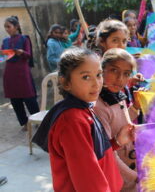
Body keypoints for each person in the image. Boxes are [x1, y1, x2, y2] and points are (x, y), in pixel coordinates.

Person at [32, 47, 135, 192]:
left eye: (98, 75)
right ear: (66, 82)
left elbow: (93, 153)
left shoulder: (84, 108)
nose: (96, 83)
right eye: (86, 77)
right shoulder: (72, 121)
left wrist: (117, 141)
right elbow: (87, 179)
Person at [94, 48, 139, 192]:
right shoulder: (99, 106)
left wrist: (135, 107)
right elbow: (108, 153)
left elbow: (122, 122)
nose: (120, 78)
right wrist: (133, 176)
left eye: (126, 74)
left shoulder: (117, 95)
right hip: (121, 175)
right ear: (102, 70)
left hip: (130, 161)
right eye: (114, 70)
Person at [1, 16, 39, 130]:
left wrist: (21, 52)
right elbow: (2, 56)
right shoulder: (5, 41)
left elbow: (29, 55)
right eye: (5, 27)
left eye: (9, 26)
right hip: (10, 72)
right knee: (14, 99)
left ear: (16, 26)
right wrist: (3, 54)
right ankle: (24, 123)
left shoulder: (24, 39)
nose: (7, 29)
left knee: (29, 97)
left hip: (22, 72)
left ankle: (37, 119)